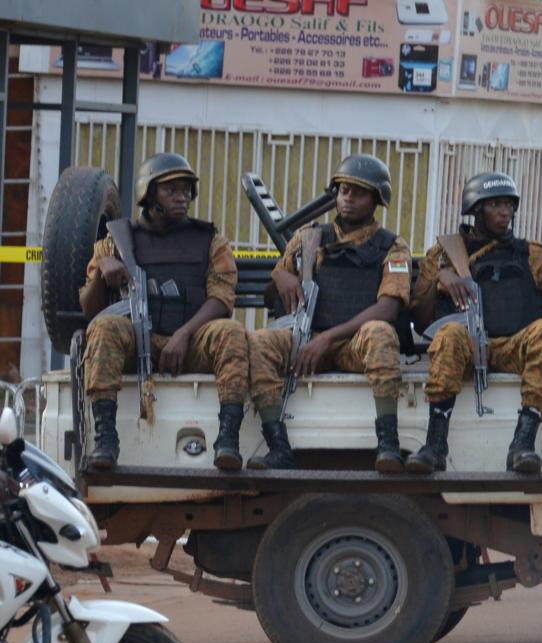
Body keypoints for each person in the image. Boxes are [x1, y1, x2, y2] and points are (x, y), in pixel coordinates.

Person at [408, 171, 542, 475]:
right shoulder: (444, 254)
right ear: (475, 211)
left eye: (509, 205)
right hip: (469, 349)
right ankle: (435, 445)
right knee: (447, 335)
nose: (505, 212)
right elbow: (420, 321)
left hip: (515, 349)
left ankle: (522, 443)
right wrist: (438, 280)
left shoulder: (532, 255)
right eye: (495, 205)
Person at [79, 153, 249, 471]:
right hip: (136, 339)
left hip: (191, 341)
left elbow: (223, 299)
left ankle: (228, 438)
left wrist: (184, 334)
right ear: (150, 193)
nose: (182, 197)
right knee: (104, 330)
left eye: (186, 190)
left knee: (233, 333)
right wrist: (103, 269)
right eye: (172, 190)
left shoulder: (211, 241)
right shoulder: (115, 241)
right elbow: (90, 310)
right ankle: (105, 439)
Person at [247, 154, 412, 472]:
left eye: (358, 192)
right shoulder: (308, 238)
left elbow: (389, 307)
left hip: (352, 344)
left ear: (377, 199)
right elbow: (274, 297)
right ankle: (277, 446)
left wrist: (328, 340)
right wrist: (279, 276)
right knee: (259, 342)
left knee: (380, 332)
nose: (348, 198)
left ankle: (388, 444)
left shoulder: (393, 246)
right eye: (343, 190)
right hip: (305, 339)